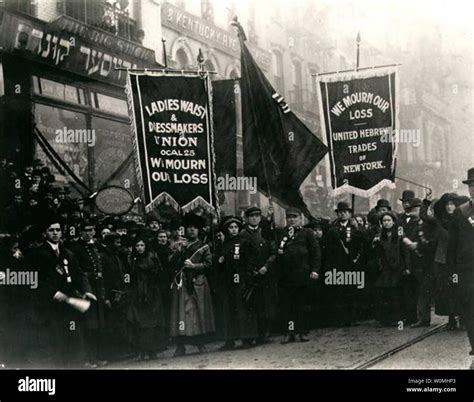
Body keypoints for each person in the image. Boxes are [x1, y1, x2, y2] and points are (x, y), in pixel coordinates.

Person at [28, 217, 93, 367]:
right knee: (54, 343)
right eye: (51, 230)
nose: (55, 233)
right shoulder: (37, 254)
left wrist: (86, 290)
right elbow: (34, 280)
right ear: (45, 234)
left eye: (58, 230)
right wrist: (52, 293)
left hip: (68, 307)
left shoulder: (67, 253)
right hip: (49, 308)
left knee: (73, 338)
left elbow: (79, 274)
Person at [169, 214, 215, 356]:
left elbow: (208, 264)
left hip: (198, 282)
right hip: (182, 283)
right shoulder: (179, 245)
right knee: (181, 314)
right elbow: (171, 262)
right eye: (189, 228)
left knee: (198, 313)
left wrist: (194, 265)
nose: (192, 231)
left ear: (199, 230)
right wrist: (179, 251)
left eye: (195, 228)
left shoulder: (204, 247)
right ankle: (180, 345)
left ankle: (200, 344)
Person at [215, 216, 259, 350]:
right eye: (230, 228)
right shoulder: (223, 244)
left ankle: (247, 338)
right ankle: (229, 340)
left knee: (243, 308)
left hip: (241, 279)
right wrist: (220, 260)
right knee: (228, 310)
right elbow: (217, 263)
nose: (233, 230)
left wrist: (248, 277)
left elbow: (250, 261)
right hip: (227, 282)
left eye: (235, 227)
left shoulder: (244, 242)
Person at [278, 208, 320, 343]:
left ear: (300, 218)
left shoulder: (306, 232)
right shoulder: (282, 232)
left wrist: (315, 270)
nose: (291, 219)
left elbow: (315, 252)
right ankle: (290, 332)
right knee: (287, 306)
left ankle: (303, 332)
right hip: (286, 275)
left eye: (294, 217)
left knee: (302, 305)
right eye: (289, 217)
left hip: (302, 274)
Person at [447, 167, 474, 369]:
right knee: (470, 314)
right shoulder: (460, 212)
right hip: (467, 272)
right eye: (472, 186)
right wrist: (452, 272)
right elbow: (452, 245)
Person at [239, 206, 277, 344]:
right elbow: (242, 256)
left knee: (264, 305)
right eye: (251, 216)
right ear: (247, 218)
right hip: (250, 276)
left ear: (260, 218)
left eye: (257, 216)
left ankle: (263, 334)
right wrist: (251, 271)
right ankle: (250, 336)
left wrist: (266, 266)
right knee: (250, 306)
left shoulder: (265, 232)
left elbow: (273, 252)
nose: (254, 218)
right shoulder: (242, 234)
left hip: (265, 274)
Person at [324, 201, 365, 326]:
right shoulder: (333, 229)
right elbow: (329, 248)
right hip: (338, 264)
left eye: (345, 212)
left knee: (351, 291)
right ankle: (340, 319)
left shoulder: (354, 228)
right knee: (339, 292)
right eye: (340, 212)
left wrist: (357, 228)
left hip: (352, 264)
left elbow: (362, 242)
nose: (342, 214)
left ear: (349, 214)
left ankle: (352, 318)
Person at [127, 237, 166, 360]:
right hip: (138, 294)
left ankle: (152, 350)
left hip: (151, 292)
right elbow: (128, 276)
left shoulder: (152, 257)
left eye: (142, 245)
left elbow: (159, 272)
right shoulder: (131, 259)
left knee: (152, 322)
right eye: (137, 245)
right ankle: (141, 351)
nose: (139, 248)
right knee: (139, 322)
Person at [433, 193, 468, 329]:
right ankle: (452, 318)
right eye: (447, 204)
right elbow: (426, 215)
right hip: (443, 260)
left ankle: (464, 318)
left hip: (460, 259)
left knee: (462, 289)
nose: (449, 207)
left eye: (452, 204)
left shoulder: (463, 219)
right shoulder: (441, 220)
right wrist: (427, 200)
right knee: (447, 290)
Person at [372, 212, 410, 326]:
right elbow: (378, 253)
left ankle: (399, 318)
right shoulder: (380, 236)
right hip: (386, 268)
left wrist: (407, 267)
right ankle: (386, 319)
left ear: (393, 221)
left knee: (396, 293)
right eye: (384, 221)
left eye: (389, 220)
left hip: (398, 267)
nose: (386, 223)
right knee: (385, 293)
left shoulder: (399, 234)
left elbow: (405, 251)